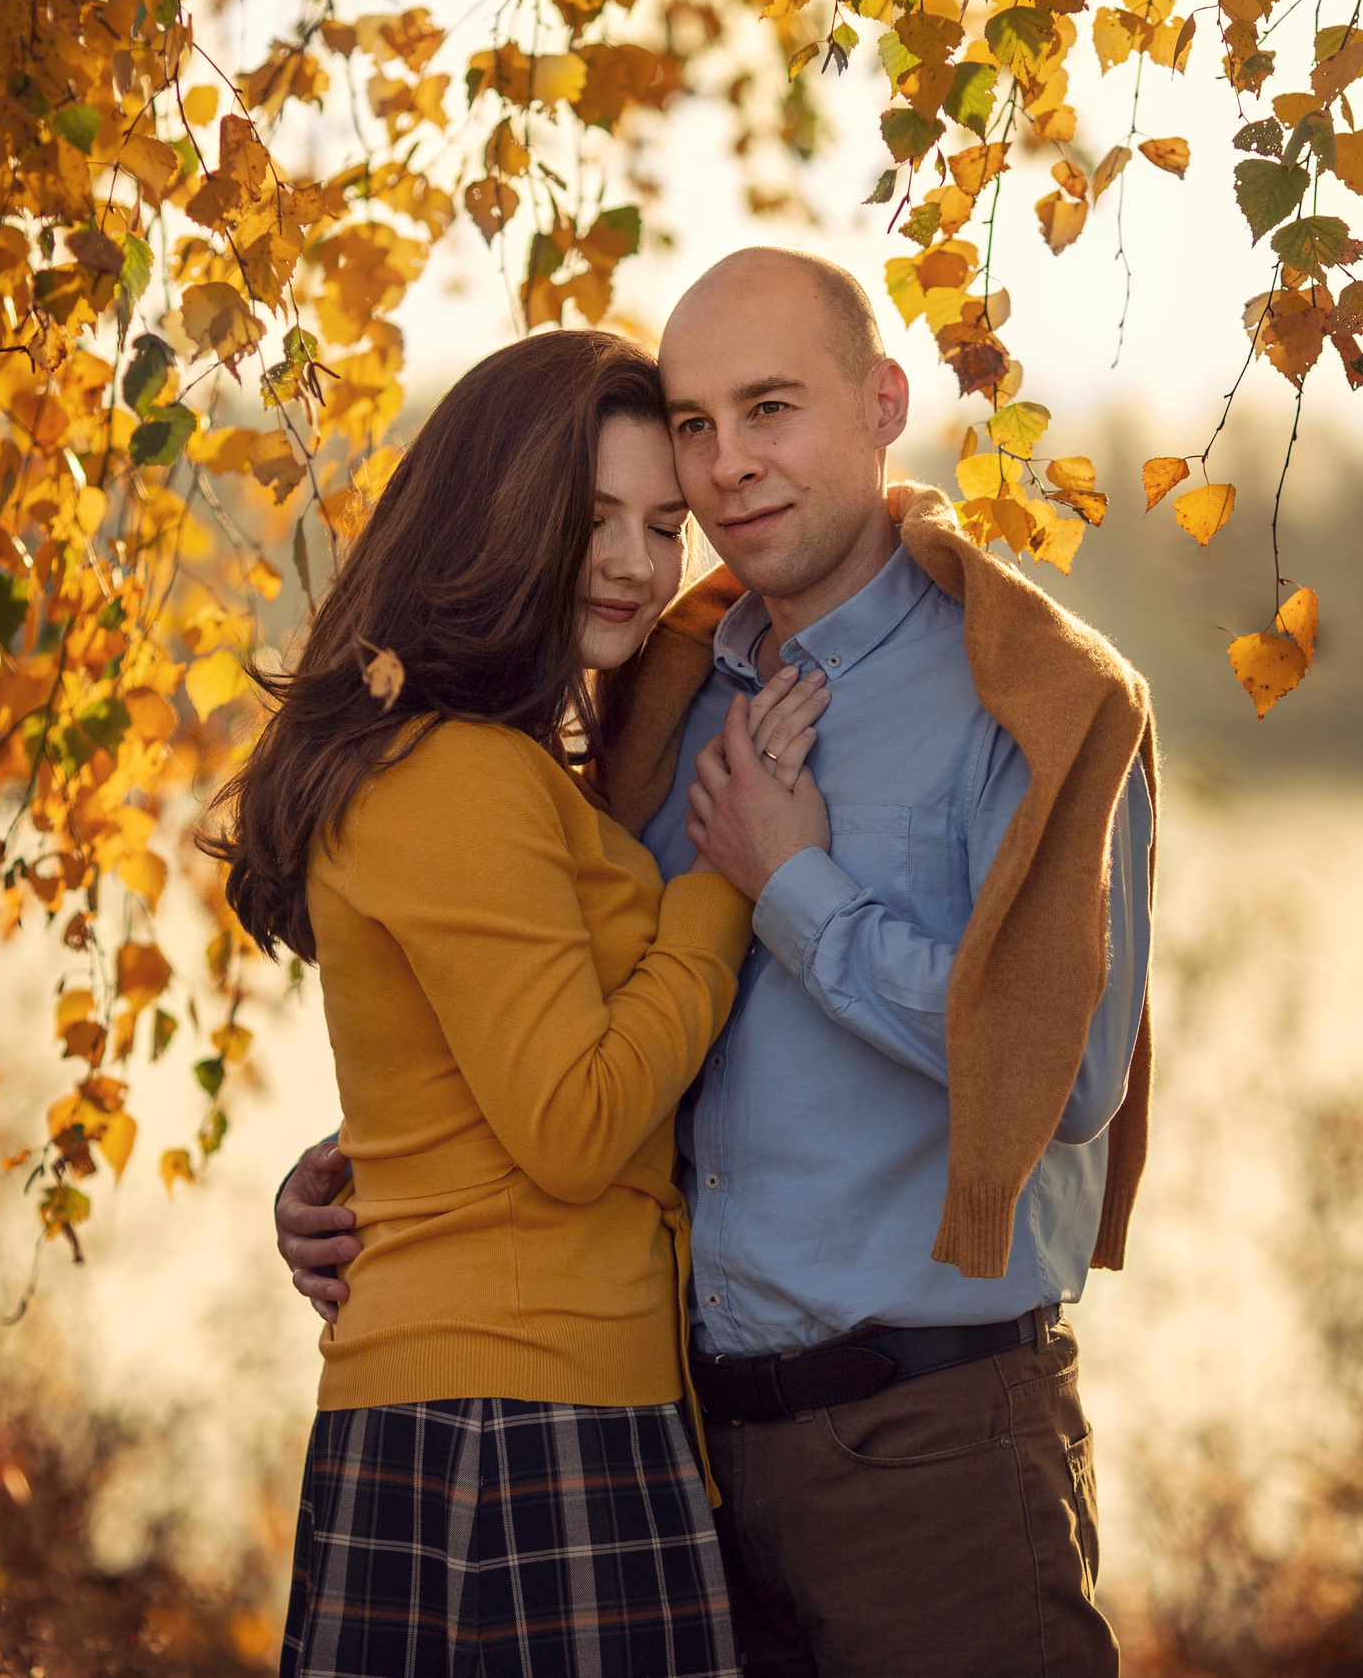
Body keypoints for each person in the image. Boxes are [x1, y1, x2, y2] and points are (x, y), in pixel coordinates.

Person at [277, 250, 1159, 1676]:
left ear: (883, 401)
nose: (729, 466)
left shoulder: (1031, 696)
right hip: (687, 1447)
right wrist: (369, 1159)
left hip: (930, 1441)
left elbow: (1058, 1081)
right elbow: (594, 1021)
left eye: (772, 409)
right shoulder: (668, 688)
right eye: (697, 425)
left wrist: (791, 888)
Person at [209, 328, 836, 1678]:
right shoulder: (461, 777)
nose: (636, 561)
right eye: (590, 518)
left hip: (510, 1401)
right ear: (499, 521)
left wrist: (339, 1168)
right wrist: (734, 886)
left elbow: (457, 1077)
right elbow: (567, 1123)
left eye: (662, 525)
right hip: (520, 1417)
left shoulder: (488, 769)